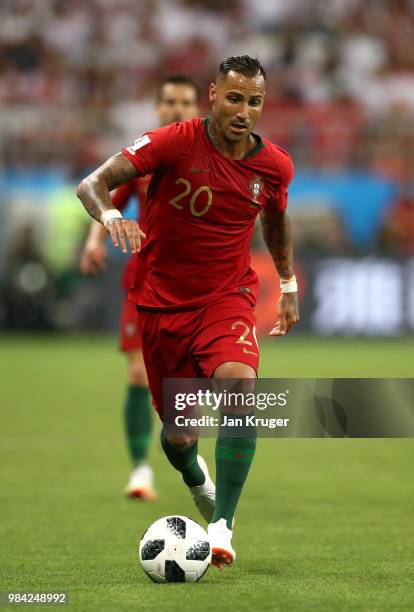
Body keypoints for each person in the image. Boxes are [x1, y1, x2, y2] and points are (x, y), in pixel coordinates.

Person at [77, 55, 299, 568]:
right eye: (236, 98)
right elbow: (93, 183)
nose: (244, 110)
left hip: (227, 299)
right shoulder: (173, 142)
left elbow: (276, 221)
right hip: (161, 307)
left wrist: (286, 281)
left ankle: (221, 525)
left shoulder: (274, 165)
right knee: (179, 436)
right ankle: (195, 475)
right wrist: (110, 217)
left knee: (240, 387)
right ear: (214, 95)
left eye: (256, 101)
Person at [79, 75, 200, 500]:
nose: (177, 109)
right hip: (147, 281)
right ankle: (140, 469)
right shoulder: (146, 155)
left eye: (185, 102)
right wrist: (95, 240)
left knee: (186, 389)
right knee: (137, 374)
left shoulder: (205, 157)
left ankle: (190, 463)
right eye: (169, 101)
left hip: (197, 287)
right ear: (158, 107)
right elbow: (107, 192)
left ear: (197, 107)